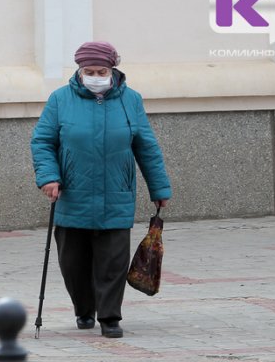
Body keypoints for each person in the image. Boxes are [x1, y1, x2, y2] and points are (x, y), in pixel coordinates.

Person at [30, 41, 171, 338]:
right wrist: (49, 177)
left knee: (113, 262)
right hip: (72, 195)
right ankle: (84, 309)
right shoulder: (60, 100)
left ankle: (109, 317)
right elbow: (43, 141)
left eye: (101, 70)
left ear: (113, 70)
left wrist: (159, 187)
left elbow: (146, 146)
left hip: (116, 194)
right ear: (80, 71)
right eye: (89, 71)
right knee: (73, 264)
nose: (96, 76)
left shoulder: (130, 100)